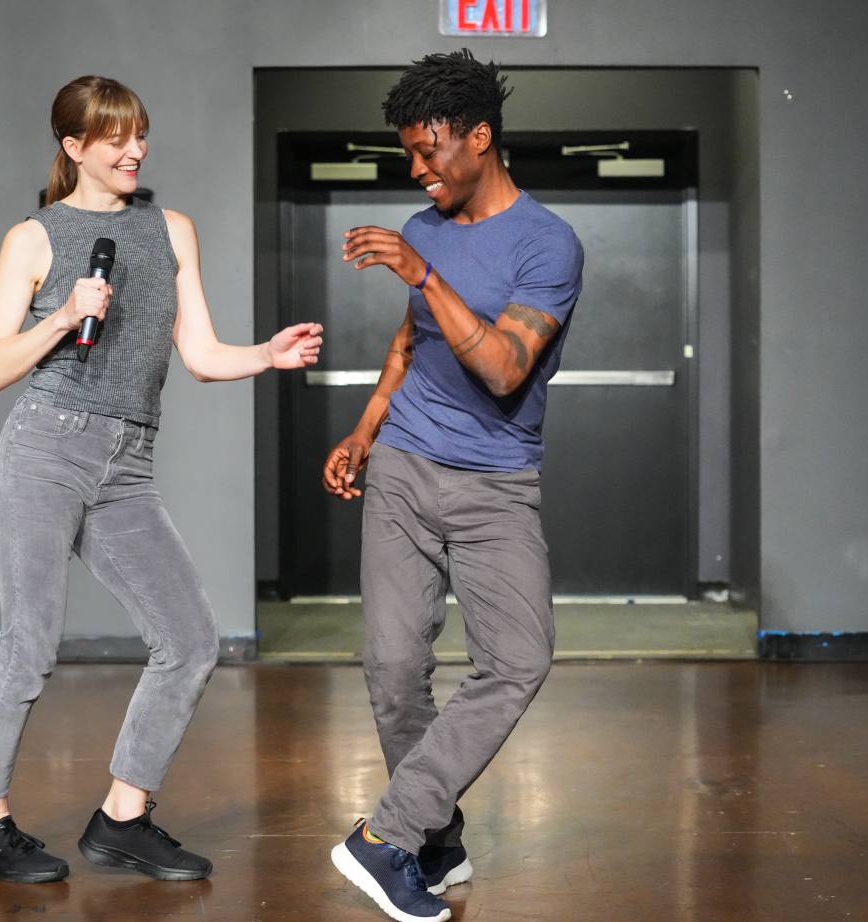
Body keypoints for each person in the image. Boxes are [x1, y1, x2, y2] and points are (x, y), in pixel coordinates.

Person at [0, 75, 323, 885]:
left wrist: (267, 354)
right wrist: (58, 316)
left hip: (129, 461)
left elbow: (199, 354)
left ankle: (123, 817)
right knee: (30, 645)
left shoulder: (171, 229)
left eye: (141, 134)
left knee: (190, 639)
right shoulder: (33, 239)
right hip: (43, 453)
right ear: (74, 147)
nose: (134, 150)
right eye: (115, 138)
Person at [322, 50, 583, 922]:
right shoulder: (423, 227)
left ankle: (383, 836)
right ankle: (427, 840)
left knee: (519, 659)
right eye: (408, 154)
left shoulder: (547, 244)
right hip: (401, 466)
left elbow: (507, 369)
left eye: (431, 151)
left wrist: (422, 273)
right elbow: (411, 342)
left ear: (482, 138)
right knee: (394, 670)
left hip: (497, 484)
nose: (418, 169)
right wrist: (363, 432)